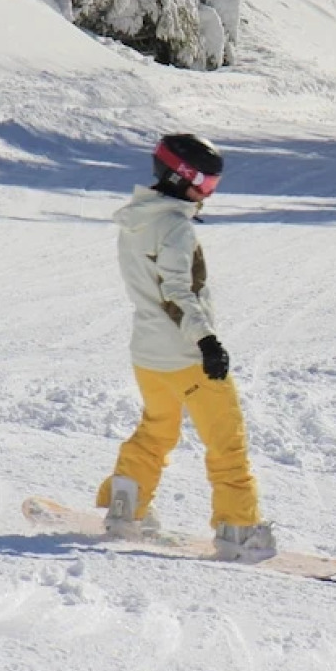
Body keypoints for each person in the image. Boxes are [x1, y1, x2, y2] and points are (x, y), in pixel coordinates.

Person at [96, 133, 276, 560]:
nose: (208, 195)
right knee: (226, 442)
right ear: (181, 178)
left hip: (148, 355)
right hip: (184, 356)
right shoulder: (174, 227)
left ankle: (126, 506)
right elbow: (177, 293)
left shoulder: (136, 219)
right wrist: (207, 342)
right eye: (206, 185)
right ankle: (240, 530)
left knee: (156, 430)